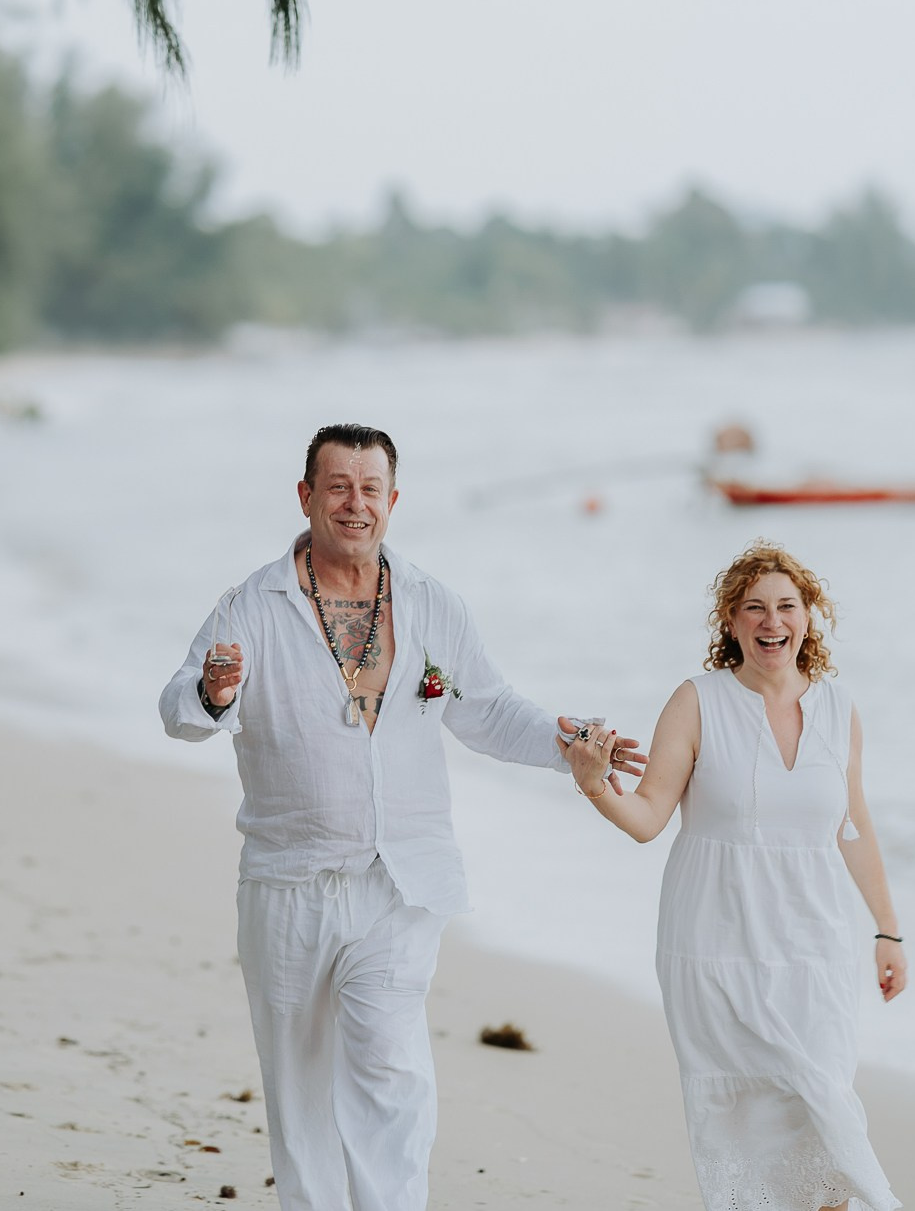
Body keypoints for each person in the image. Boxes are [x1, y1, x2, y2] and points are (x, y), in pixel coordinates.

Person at [161, 424, 644, 1211]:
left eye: (371, 487)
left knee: (392, 1070)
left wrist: (572, 742)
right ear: (307, 495)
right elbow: (179, 709)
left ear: (393, 499)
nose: (356, 502)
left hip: (402, 882)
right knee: (300, 1086)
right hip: (290, 883)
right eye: (339, 485)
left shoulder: (431, 603)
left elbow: (489, 710)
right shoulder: (249, 605)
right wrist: (214, 694)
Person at [560, 541, 905, 1211]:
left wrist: (889, 932)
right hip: (716, 943)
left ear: (809, 617)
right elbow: (648, 817)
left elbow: (853, 825)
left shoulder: (839, 710)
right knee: (746, 1114)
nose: (771, 621)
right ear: (731, 621)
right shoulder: (698, 702)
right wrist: (594, 782)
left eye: (785, 606)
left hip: (816, 946)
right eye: (754, 608)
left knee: (824, 1105)